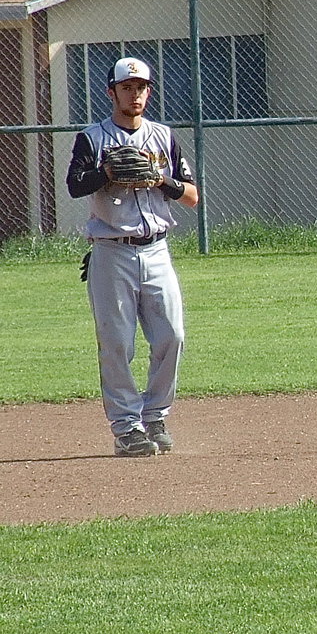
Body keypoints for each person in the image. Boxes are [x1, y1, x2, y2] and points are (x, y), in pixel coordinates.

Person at [66, 57, 199, 456]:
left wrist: (161, 180)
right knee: (117, 343)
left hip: (157, 249)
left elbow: (192, 196)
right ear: (112, 93)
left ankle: (155, 416)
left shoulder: (163, 136)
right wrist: (106, 173)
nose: (135, 94)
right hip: (111, 253)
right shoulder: (92, 139)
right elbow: (75, 187)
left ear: (149, 92)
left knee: (172, 336)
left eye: (141, 87)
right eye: (127, 87)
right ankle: (127, 428)